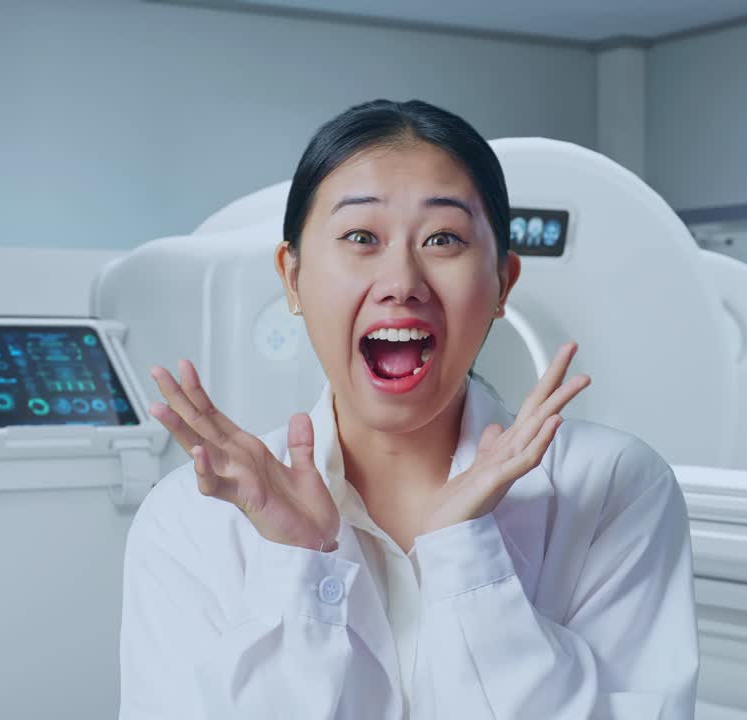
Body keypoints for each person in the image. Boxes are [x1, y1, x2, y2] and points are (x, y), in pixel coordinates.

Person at [119, 99, 699, 719]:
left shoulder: (613, 487)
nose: (402, 281)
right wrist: (296, 565)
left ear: (502, 282)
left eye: (443, 239)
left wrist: (464, 555)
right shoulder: (191, 520)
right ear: (292, 277)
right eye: (360, 238)